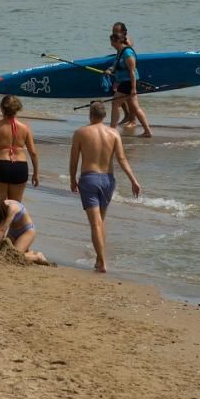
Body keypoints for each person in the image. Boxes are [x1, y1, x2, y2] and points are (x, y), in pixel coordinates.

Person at [69, 101, 142, 273]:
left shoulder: (81, 133)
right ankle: (98, 258)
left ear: (90, 115)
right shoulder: (114, 133)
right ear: (104, 116)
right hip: (108, 180)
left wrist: (72, 179)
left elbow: (74, 160)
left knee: (95, 224)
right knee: (101, 222)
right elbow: (122, 159)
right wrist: (134, 180)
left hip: (90, 179)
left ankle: (102, 262)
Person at [0, 95, 39, 202]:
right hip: (20, 167)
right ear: (17, 109)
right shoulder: (25, 128)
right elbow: (33, 153)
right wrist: (36, 174)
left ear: (2, 108)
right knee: (15, 207)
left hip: (1, 166)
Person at [0, 196, 49, 265]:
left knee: (14, 256)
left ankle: (37, 257)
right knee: (3, 252)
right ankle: (29, 253)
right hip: (13, 232)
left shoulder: (11, 208)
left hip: (27, 231)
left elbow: (2, 230)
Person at [107, 33, 153, 137]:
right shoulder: (119, 52)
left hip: (129, 82)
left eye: (112, 41)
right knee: (135, 108)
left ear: (118, 41)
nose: (111, 44)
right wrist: (110, 70)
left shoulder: (127, 53)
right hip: (124, 82)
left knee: (115, 103)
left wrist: (133, 88)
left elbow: (132, 71)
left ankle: (112, 129)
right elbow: (116, 65)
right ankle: (147, 131)